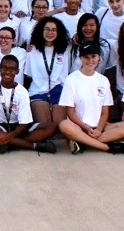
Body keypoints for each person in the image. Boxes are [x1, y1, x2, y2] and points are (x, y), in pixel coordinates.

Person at [58, 42, 124, 154]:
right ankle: (106, 147)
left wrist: (98, 129)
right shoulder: (71, 79)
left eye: (93, 56)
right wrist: (86, 128)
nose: (90, 60)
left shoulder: (103, 80)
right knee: (64, 125)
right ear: (80, 58)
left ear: (99, 57)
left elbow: (105, 112)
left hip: (100, 127)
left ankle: (83, 141)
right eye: (86, 57)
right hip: (79, 127)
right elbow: (70, 112)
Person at [0, 55, 51, 154]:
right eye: (4, 68)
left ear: (17, 71)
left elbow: (24, 124)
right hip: (1, 126)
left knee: (53, 126)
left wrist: (10, 135)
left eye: (12, 69)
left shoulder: (22, 92)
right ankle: (33, 146)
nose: (8, 72)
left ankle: (6, 142)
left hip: (19, 127)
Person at [24, 16, 71, 151]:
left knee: (59, 126)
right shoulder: (32, 50)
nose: (50, 32)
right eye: (47, 29)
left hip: (57, 90)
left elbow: (64, 75)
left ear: (58, 32)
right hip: (38, 90)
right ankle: (21, 142)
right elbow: (28, 74)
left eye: (53, 30)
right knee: (46, 125)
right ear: (41, 31)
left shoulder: (64, 50)